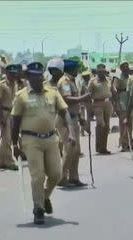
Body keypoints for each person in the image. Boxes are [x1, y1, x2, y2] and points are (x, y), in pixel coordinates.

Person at [11, 62, 76, 225]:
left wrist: (72, 133)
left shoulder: (53, 93)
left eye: (40, 75)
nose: (39, 78)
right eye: (35, 75)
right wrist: (14, 145)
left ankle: (45, 196)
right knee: (37, 175)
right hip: (31, 140)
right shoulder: (21, 96)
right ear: (29, 78)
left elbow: (65, 112)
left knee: (56, 174)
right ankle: (38, 208)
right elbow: (15, 121)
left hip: (51, 138)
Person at [57, 59, 90, 187]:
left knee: (76, 151)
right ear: (71, 69)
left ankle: (74, 177)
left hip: (74, 118)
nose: (78, 71)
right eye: (76, 69)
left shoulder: (72, 81)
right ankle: (62, 178)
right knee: (69, 149)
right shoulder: (64, 81)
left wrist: (81, 117)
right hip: (65, 120)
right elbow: (66, 99)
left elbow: (76, 103)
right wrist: (83, 97)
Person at [0, 64, 21, 170]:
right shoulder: (2, 85)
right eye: (11, 73)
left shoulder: (15, 84)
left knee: (7, 138)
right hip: (4, 113)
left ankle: (0, 160)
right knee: (7, 138)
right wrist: (1, 117)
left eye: (14, 73)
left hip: (13, 113)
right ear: (6, 73)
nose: (13, 75)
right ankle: (9, 161)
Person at [88, 63, 115, 154]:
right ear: (97, 72)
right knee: (101, 124)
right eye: (99, 71)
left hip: (108, 103)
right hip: (97, 104)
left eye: (103, 71)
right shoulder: (93, 81)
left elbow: (113, 92)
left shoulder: (109, 80)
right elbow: (88, 95)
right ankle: (98, 146)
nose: (101, 73)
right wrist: (89, 111)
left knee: (106, 126)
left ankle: (104, 147)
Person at [113, 61, 133, 151]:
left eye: (127, 66)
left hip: (129, 99)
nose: (126, 68)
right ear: (121, 68)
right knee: (123, 122)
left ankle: (129, 141)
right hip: (122, 99)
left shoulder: (130, 77)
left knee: (130, 122)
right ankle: (124, 143)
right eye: (124, 67)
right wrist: (116, 102)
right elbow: (114, 89)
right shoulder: (118, 77)